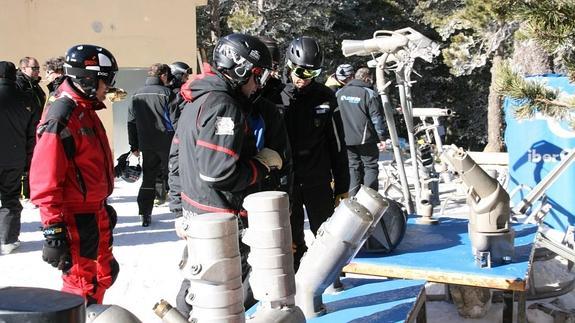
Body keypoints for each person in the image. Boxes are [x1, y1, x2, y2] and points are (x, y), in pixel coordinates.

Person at [168, 33, 282, 318]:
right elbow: (217, 172)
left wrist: (179, 208)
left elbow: (176, 158)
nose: (258, 86)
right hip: (219, 215)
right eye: (257, 77)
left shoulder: (197, 99)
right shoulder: (223, 106)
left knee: (200, 279)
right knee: (220, 288)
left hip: (199, 211)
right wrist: (261, 166)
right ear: (241, 70)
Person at [29, 44, 120, 305]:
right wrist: (53, 230)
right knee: (82, 283)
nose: (109, 87)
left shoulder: (85, 110)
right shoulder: (62, 116)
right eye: (106, 80)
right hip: (75, 217)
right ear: (88, 79)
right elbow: (45, 178)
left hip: (94, 210)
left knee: (104, 274)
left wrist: (102, 203)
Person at [281, 36, 350, 271]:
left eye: (312, 73)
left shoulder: (325, 96)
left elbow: (337, 143)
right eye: (300, 72)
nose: (304, 79)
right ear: (289, 65)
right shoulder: (275, 95)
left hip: (317, 176)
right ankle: (296, 282)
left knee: (325, 233)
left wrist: (342, 185)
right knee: (291, 237)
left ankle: (330, 277)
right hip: (286, 179)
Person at [127, 63, 176, 226]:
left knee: (148, 179)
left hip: (146, 144)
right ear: (162, 76)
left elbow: (131, 122)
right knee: (175, 176)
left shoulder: (136, 95)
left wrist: (134, 145)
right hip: (167, 143)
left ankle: (144, 213)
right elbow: (176, 120)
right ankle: (181, 211)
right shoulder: (167, 93)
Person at [0, 61, 35, 255]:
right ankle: (7, 239)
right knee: (10, 197)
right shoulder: (26, 99)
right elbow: (32, 134)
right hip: (15, 157)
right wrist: (29, 160)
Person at [336, 67, 387, 196]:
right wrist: (382, 137)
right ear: (367, 78)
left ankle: (353, 199)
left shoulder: (340, 93)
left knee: (353, 168)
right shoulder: (369, 93)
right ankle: (369, 199)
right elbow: (376, 118)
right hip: (366, 138)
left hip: (345, 139)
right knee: (370, 166)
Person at [16, 56, 46, 202]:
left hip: (35, 129)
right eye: (34, 68)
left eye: (38, 68)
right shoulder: (19, 85)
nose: (37, 71)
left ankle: (32, 192)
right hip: (23, 131)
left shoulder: (34, 85)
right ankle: (24, 194)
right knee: (25, 162)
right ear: (23, 69)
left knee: (34, 161)